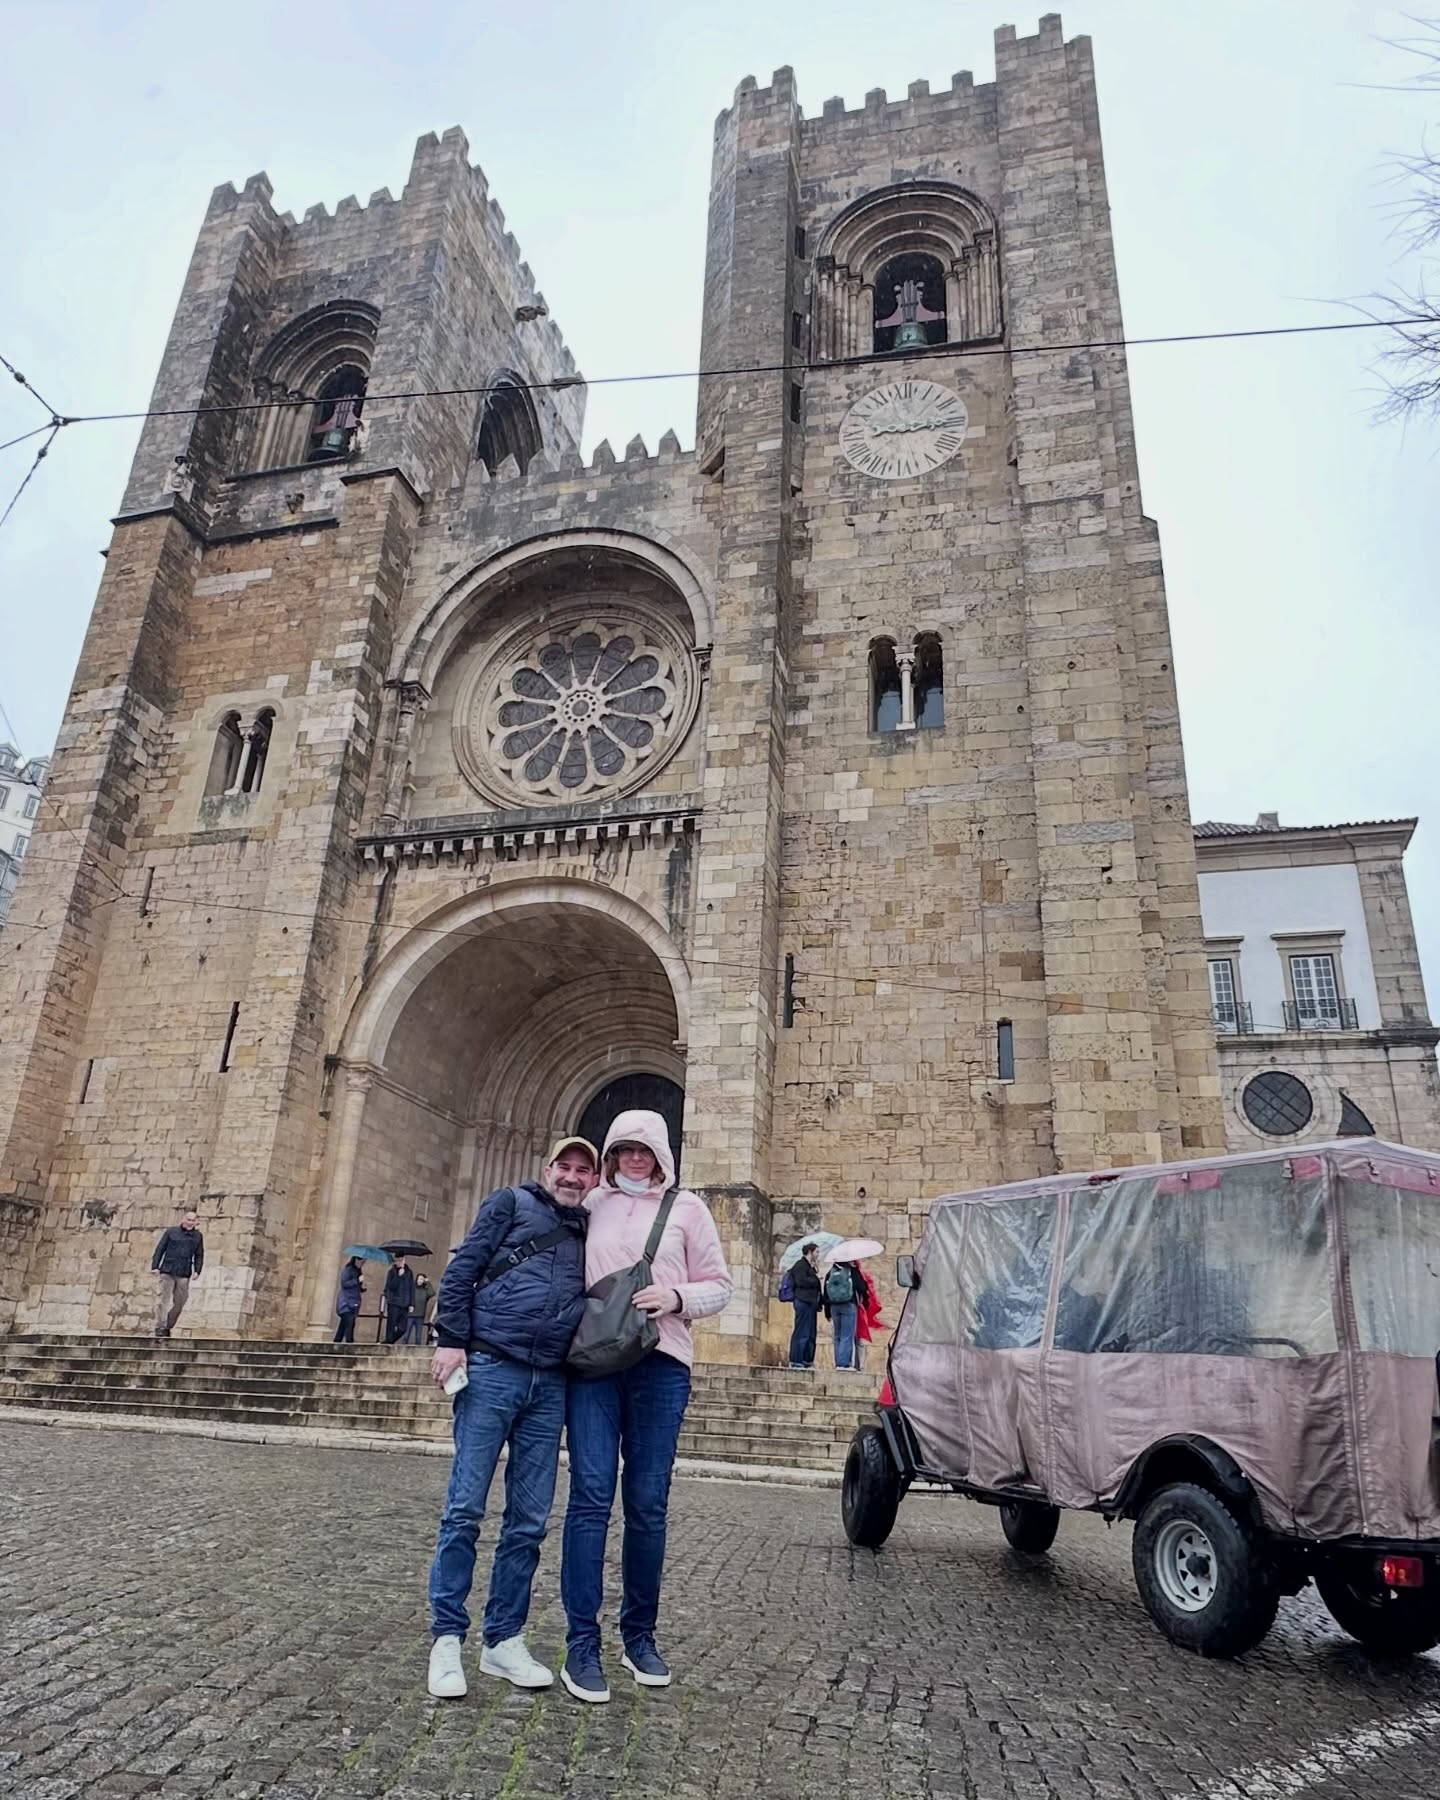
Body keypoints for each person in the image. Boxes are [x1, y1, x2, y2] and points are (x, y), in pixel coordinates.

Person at [559, 1109, 733, 1705]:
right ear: (611, 1154)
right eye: (625, 1149)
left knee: (648, 1504)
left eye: (646, 1150)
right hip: (594, 1367)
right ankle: (581, 1643)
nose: (637, 1159)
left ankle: (640, 1636)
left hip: (662, 1363)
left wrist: (678, 1295)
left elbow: (721, 1283)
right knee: (588, 1497)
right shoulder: (592, 1206)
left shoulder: (688, 1209)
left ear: (663, 1154)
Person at [426, 1137, 599, 1700]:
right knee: (465, 1509)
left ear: (594, 1180)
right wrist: (452, 1340)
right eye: (564, 1167)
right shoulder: (509, 1203)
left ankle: (502, 1640)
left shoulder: (588, 1229)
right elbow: (462, 1270)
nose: (572, 1177)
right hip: (492, 1368)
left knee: (528, 1519)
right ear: (547, 1168)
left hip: (550, 1382)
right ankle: (447, 1639)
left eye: (583, 1170)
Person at [151, 1209, 204, 1339]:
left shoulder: (198, 1236)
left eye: (193, 1220)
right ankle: (161, 1327)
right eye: (188, 1219)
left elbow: (199, 1254)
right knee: (163, 1299)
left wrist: (197, 1270)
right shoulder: (171, 1232)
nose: (190, 1222)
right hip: (167, 1270)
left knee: (181, 1301)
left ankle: (168, 1325)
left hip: (184, 1272)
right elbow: (160, 1248)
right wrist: (155, 1266)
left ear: (196, 1222)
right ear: (183, 1219)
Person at [822, 1258, 864, 1370]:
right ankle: (844, 1363)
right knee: (847, 1335)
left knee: (837, 1336)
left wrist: (827, 1312)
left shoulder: (830, 1273)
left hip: (834, 1307)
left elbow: (825, 1293)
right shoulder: (852, 1271)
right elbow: (862, 1287)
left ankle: (838, 1362)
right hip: (849, 1305)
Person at [786, 1243, 822, 1369]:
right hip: (803, 1301)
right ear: (810, 1252)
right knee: (802, 1331)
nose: (818, 1255)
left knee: (810, 1332)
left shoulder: (810, 1268)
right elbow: (801, 1281)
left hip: (811, 1303)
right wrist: (816, 1279)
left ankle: (807, 1359)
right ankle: (797, 1359)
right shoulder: (800, 1265)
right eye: (816, 1252)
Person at [852, 1261, 883, 1372]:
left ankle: (852, 1364)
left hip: (851, 1309)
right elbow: (867, 1292)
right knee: (858, 1339)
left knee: (851, 1338)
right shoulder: (861, 1275)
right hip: (859, 1310)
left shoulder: (844, 1273)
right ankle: (859, 1365)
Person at [383, 1254, 416, 1345]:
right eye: (397, 1260)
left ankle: (389, 1341)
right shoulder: (392, 1272)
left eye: (400, 1260)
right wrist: (398, 1276)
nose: (398, 1262)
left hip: (405, 1303)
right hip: (394, 1302)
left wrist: (412, 1303)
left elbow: (411, 1288)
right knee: (391, 1325)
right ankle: (388, 1342)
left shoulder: (409, 1272)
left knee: (402, 1328)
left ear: (404, 1260)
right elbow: (391, 1287)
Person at [334, 1256, 365, 1343]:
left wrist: (362, 1288)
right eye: (362, 1262)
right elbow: (345, 1283)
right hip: (346, 1303)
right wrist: (357, 1280)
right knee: (350, 1324)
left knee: (343, 1326)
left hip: (353, 1302)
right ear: (356, 1260)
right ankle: (349, 1344)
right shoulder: (348, 1270)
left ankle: (336, 1343)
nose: (362, 1264)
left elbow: (355, 1287)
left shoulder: (358, 1271)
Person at [405, 1272, 436, 1345]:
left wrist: (428, 1282)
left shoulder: (425, 1291)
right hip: (410, 1315)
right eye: (419, 1279)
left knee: (418, 1337)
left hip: (420, 1316)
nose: (420, 1280)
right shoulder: (412, 1289)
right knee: (406, 1335)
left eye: (422, 1279)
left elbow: (432, 1293)